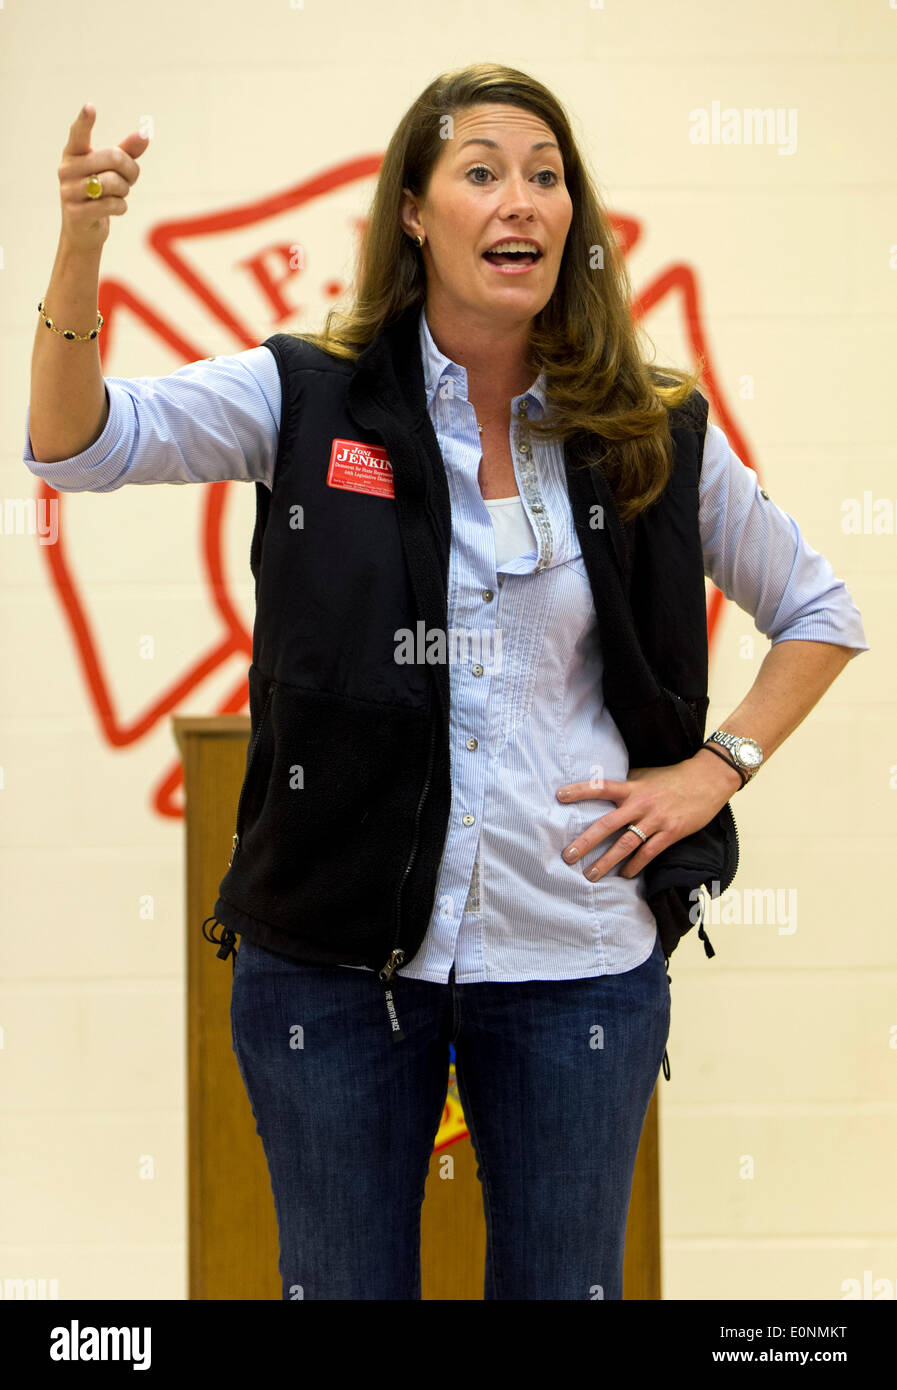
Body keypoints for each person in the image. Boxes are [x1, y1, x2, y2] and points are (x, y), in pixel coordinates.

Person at [25, 64, 869, 1301]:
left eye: (545, 174)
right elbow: (75, 445)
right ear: (413, 211)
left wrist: (713, 769)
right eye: (481, 171)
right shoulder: (307, 393)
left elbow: (821, 612)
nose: (519, 198)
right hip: (333, 962)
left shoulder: (648, 425)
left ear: (572, 220)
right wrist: (82, 246)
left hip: (576, 956)